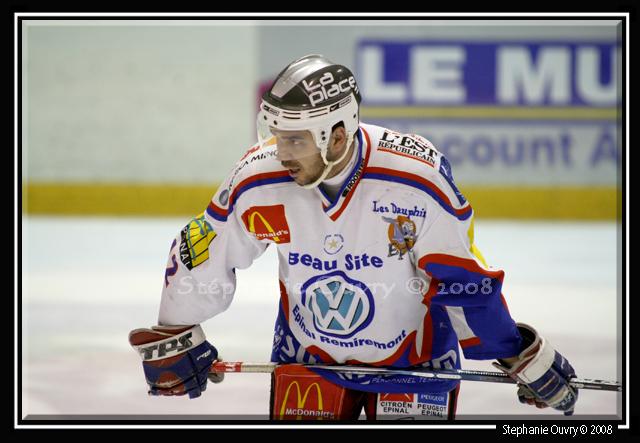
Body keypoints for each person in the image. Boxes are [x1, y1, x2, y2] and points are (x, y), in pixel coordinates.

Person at [129, 54, 578, 420]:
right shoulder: (260, 179)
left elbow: (460, 278)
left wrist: (514, 351)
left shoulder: (415, 181)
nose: (280, 153)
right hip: (307, 357)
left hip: (416, 363)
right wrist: (174, 330)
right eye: (277, 136)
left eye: (296, 141)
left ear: (338, 136)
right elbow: (205, 248)